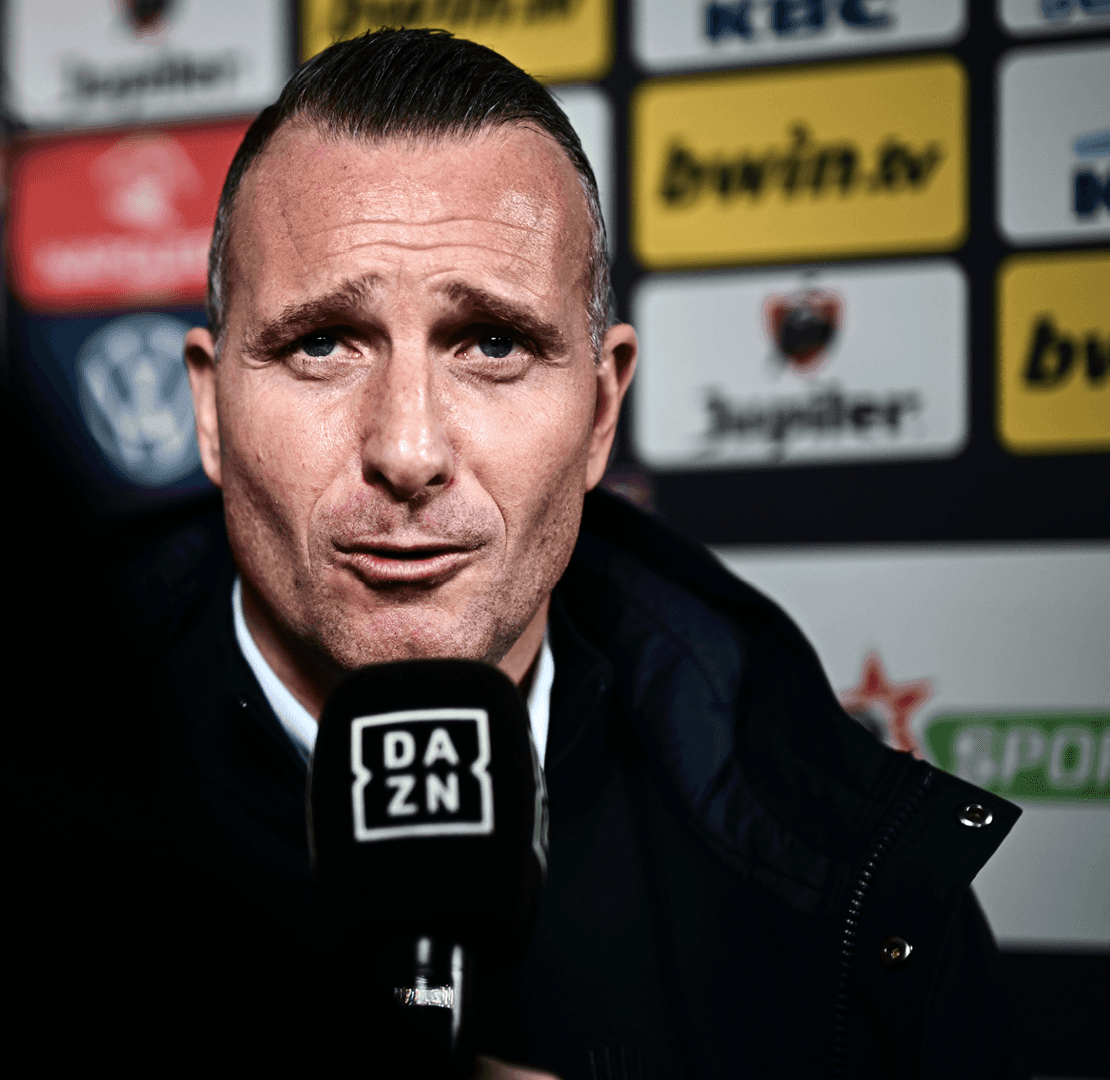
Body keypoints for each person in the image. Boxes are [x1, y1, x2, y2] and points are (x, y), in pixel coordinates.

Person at [119, 28, 1028, 1078]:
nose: (407, 451)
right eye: (321, 343)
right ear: (211, 413)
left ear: (601, 413)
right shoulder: (2, 796)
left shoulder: (857, 882)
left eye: (493, 343)